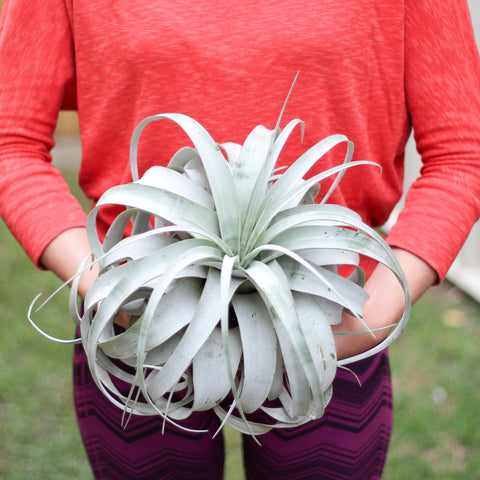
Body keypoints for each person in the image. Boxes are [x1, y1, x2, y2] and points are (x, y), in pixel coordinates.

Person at [1, 0, 479, 478]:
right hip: (142, 321)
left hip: (329, 320)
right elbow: (12, 140)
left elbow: (462, 152)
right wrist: (109, 291)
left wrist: (376, 311)